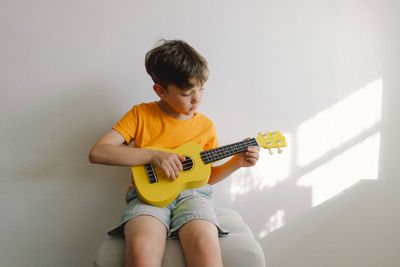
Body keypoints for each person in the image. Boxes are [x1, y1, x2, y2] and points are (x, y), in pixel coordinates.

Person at [89, 39, 260, 267]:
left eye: (201, 89)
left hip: (194, 197)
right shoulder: (140, 115)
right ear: (161, 91)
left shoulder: (205, 126)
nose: (197, 98)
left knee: (205, 246)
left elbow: (204, 176)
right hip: (147, 197)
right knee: (142, 250)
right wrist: (152, 155)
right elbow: (99, 152)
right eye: (186, 92)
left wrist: (236, 163)